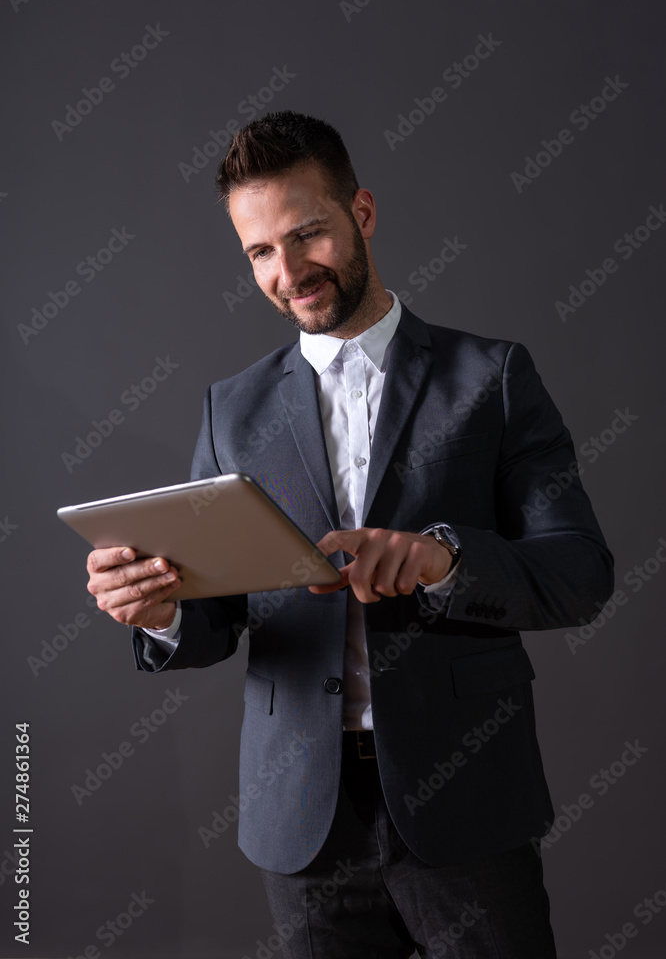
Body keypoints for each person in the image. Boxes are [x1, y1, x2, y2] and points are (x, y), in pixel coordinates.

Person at [86, 111, 614, 958]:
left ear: (361, 214)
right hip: (300, 823)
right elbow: (214, 615)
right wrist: (159, 611)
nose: (288, 271)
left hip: (468, 800)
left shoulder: (493, 377)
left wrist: (443, 561)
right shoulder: (231, 410)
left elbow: (579, 572)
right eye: (259, 251)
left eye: (306, 234)